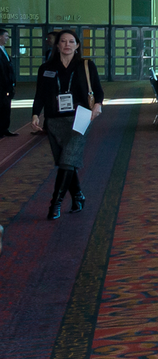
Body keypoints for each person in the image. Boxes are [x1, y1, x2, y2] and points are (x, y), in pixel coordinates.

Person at [30, 28, 102, 220]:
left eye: (71, 41)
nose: (67, 45)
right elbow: (40, 95)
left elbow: (98, 91)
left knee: (68, 158)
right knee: (65, 162)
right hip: (54, 120)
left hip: (80, 117)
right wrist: (36, 114)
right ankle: (78, 196)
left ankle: (56, 203)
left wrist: (98, 105)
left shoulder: (86, 65)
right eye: (63, 41)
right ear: (57, 45)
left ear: (77, 45)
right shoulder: (46, 69)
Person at [0, 26, 15, 137]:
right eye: (6, 36)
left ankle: (5, 129)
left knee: (6, 108)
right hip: (1, 86)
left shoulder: (4, 50)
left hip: (7, 86)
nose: (7, 38)